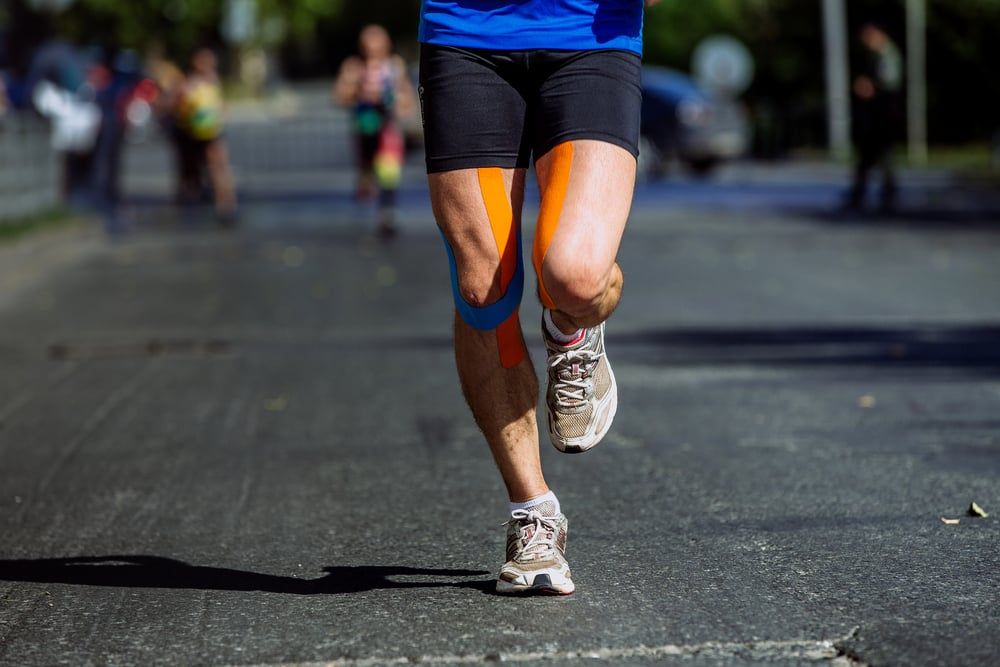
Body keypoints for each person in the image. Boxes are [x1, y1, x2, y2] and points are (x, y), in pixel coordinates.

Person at [419, 0, 660, 595]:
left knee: (575, 277)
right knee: (482, 289)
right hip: (464, 32)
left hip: (591, 35)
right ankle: (533, 511)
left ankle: (571, 329)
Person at [334, 25, 414, 239]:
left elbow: (407, 99)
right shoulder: (354, 66)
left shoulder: (395, 66)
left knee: (388, 169)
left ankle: (386, 213)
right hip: (365, 126)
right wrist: (357, 89)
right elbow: (339, 97)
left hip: (388, 126)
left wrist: (398, 103)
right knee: (367, 173)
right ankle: (365, 184)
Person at [175, 48, 237, 224]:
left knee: (219, 168)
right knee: (196, 170)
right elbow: (181, 106)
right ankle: (196, 200)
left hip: (212, 132)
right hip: (194, 132)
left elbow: (221, 105)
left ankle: (225, 204)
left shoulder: (213, 81)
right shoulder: (190, 83)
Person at [847, 23, 903, 212]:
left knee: (881, 156)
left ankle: (884, 195)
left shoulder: (888, 55)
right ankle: (861, 194)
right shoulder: (876, 56)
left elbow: (889, 84)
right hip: (876, 115)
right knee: (868, 158)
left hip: (884, 115)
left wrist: (871, 87)